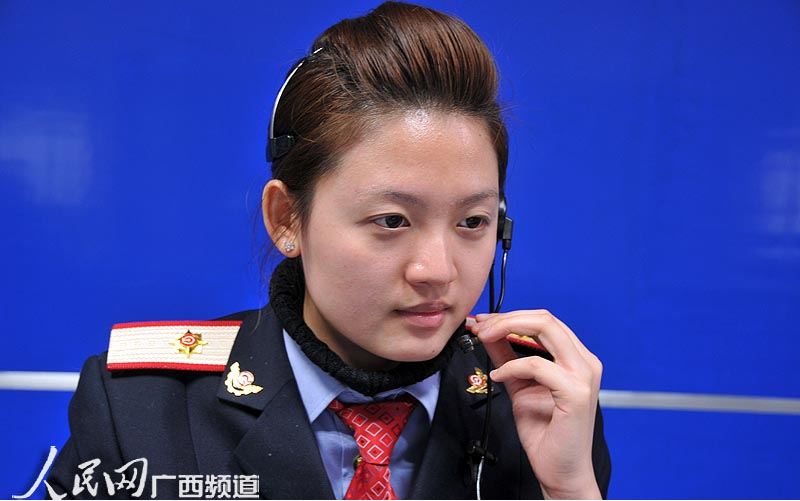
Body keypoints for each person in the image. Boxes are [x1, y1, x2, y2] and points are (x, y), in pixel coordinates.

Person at [46, 1, 610, 499]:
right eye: (391, 221)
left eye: (472, 221)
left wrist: (571, 492)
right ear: (286, 218)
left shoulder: (537, 400)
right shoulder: (144, 409)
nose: (437, 271)